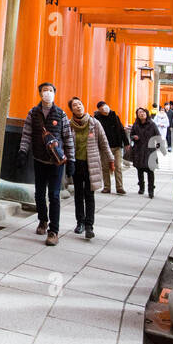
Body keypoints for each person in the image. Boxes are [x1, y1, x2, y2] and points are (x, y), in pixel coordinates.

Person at [16, 82, 74, 246]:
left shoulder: (61, 114)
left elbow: (68, 138)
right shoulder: (33, 113)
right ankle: (43, 220)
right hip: (39, 159)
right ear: (40, 94)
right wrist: (22, 152)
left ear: (54, 93)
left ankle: (53, 231)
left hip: (56, 162)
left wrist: (71, 161)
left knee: (54, 195)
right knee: (39, 194)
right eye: (44, 91)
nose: (47, 93)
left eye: (50, 91)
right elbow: (26, 134)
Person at [66, 97, 113, 240]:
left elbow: (104, 142)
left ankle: (89, 226)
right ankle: (79, 222)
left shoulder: (94, 123)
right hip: (76, 163)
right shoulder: (69, 125)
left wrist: (111, 158)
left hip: (91, 163)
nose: (78, 107)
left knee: (89, 195)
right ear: (72, 109)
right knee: (78, 194)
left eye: (79, 104)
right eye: (75, 105)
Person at [94, 100, 128, 195]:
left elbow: (121, 130)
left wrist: (126, 142)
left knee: (118, 167)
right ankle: (106, 187)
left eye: (105, 106)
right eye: (102, 108)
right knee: (105, 167)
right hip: (104, 147)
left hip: (116, 146)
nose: (104, 109)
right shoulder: (97, 119)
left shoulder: (114, 116)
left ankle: (119, 187)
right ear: (99, 110)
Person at [129, 106, 161, 197]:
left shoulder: (152, 124)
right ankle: (141, 188)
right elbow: (131, 135)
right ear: (137, 115)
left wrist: (158, 144)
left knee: (150, 171)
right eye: (139, 113)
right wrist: (134, 137)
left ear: (146, 113)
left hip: (149, 150)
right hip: (138, 150)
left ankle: (151, 190)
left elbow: (158, 135)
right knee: (139, 170)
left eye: (143, 112)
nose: (141, 114)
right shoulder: (136, 125)